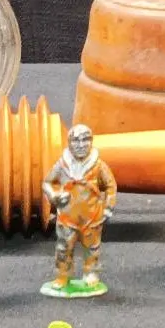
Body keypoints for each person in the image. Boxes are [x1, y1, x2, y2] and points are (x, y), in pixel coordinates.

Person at [42, 124, 116, 295]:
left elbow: (110, 186)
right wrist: (54, 195)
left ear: (91, 142)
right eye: (76, 140)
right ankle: (62, 276)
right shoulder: (62, 165)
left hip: (92, 216)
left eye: (85, 140)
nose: (81, 145)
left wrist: (108, 208)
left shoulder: (98, 166)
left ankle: (91, 274)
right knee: (63, 248)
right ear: (69, 143)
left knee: (92, 248)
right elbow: (47, 182)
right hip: (67, 217)